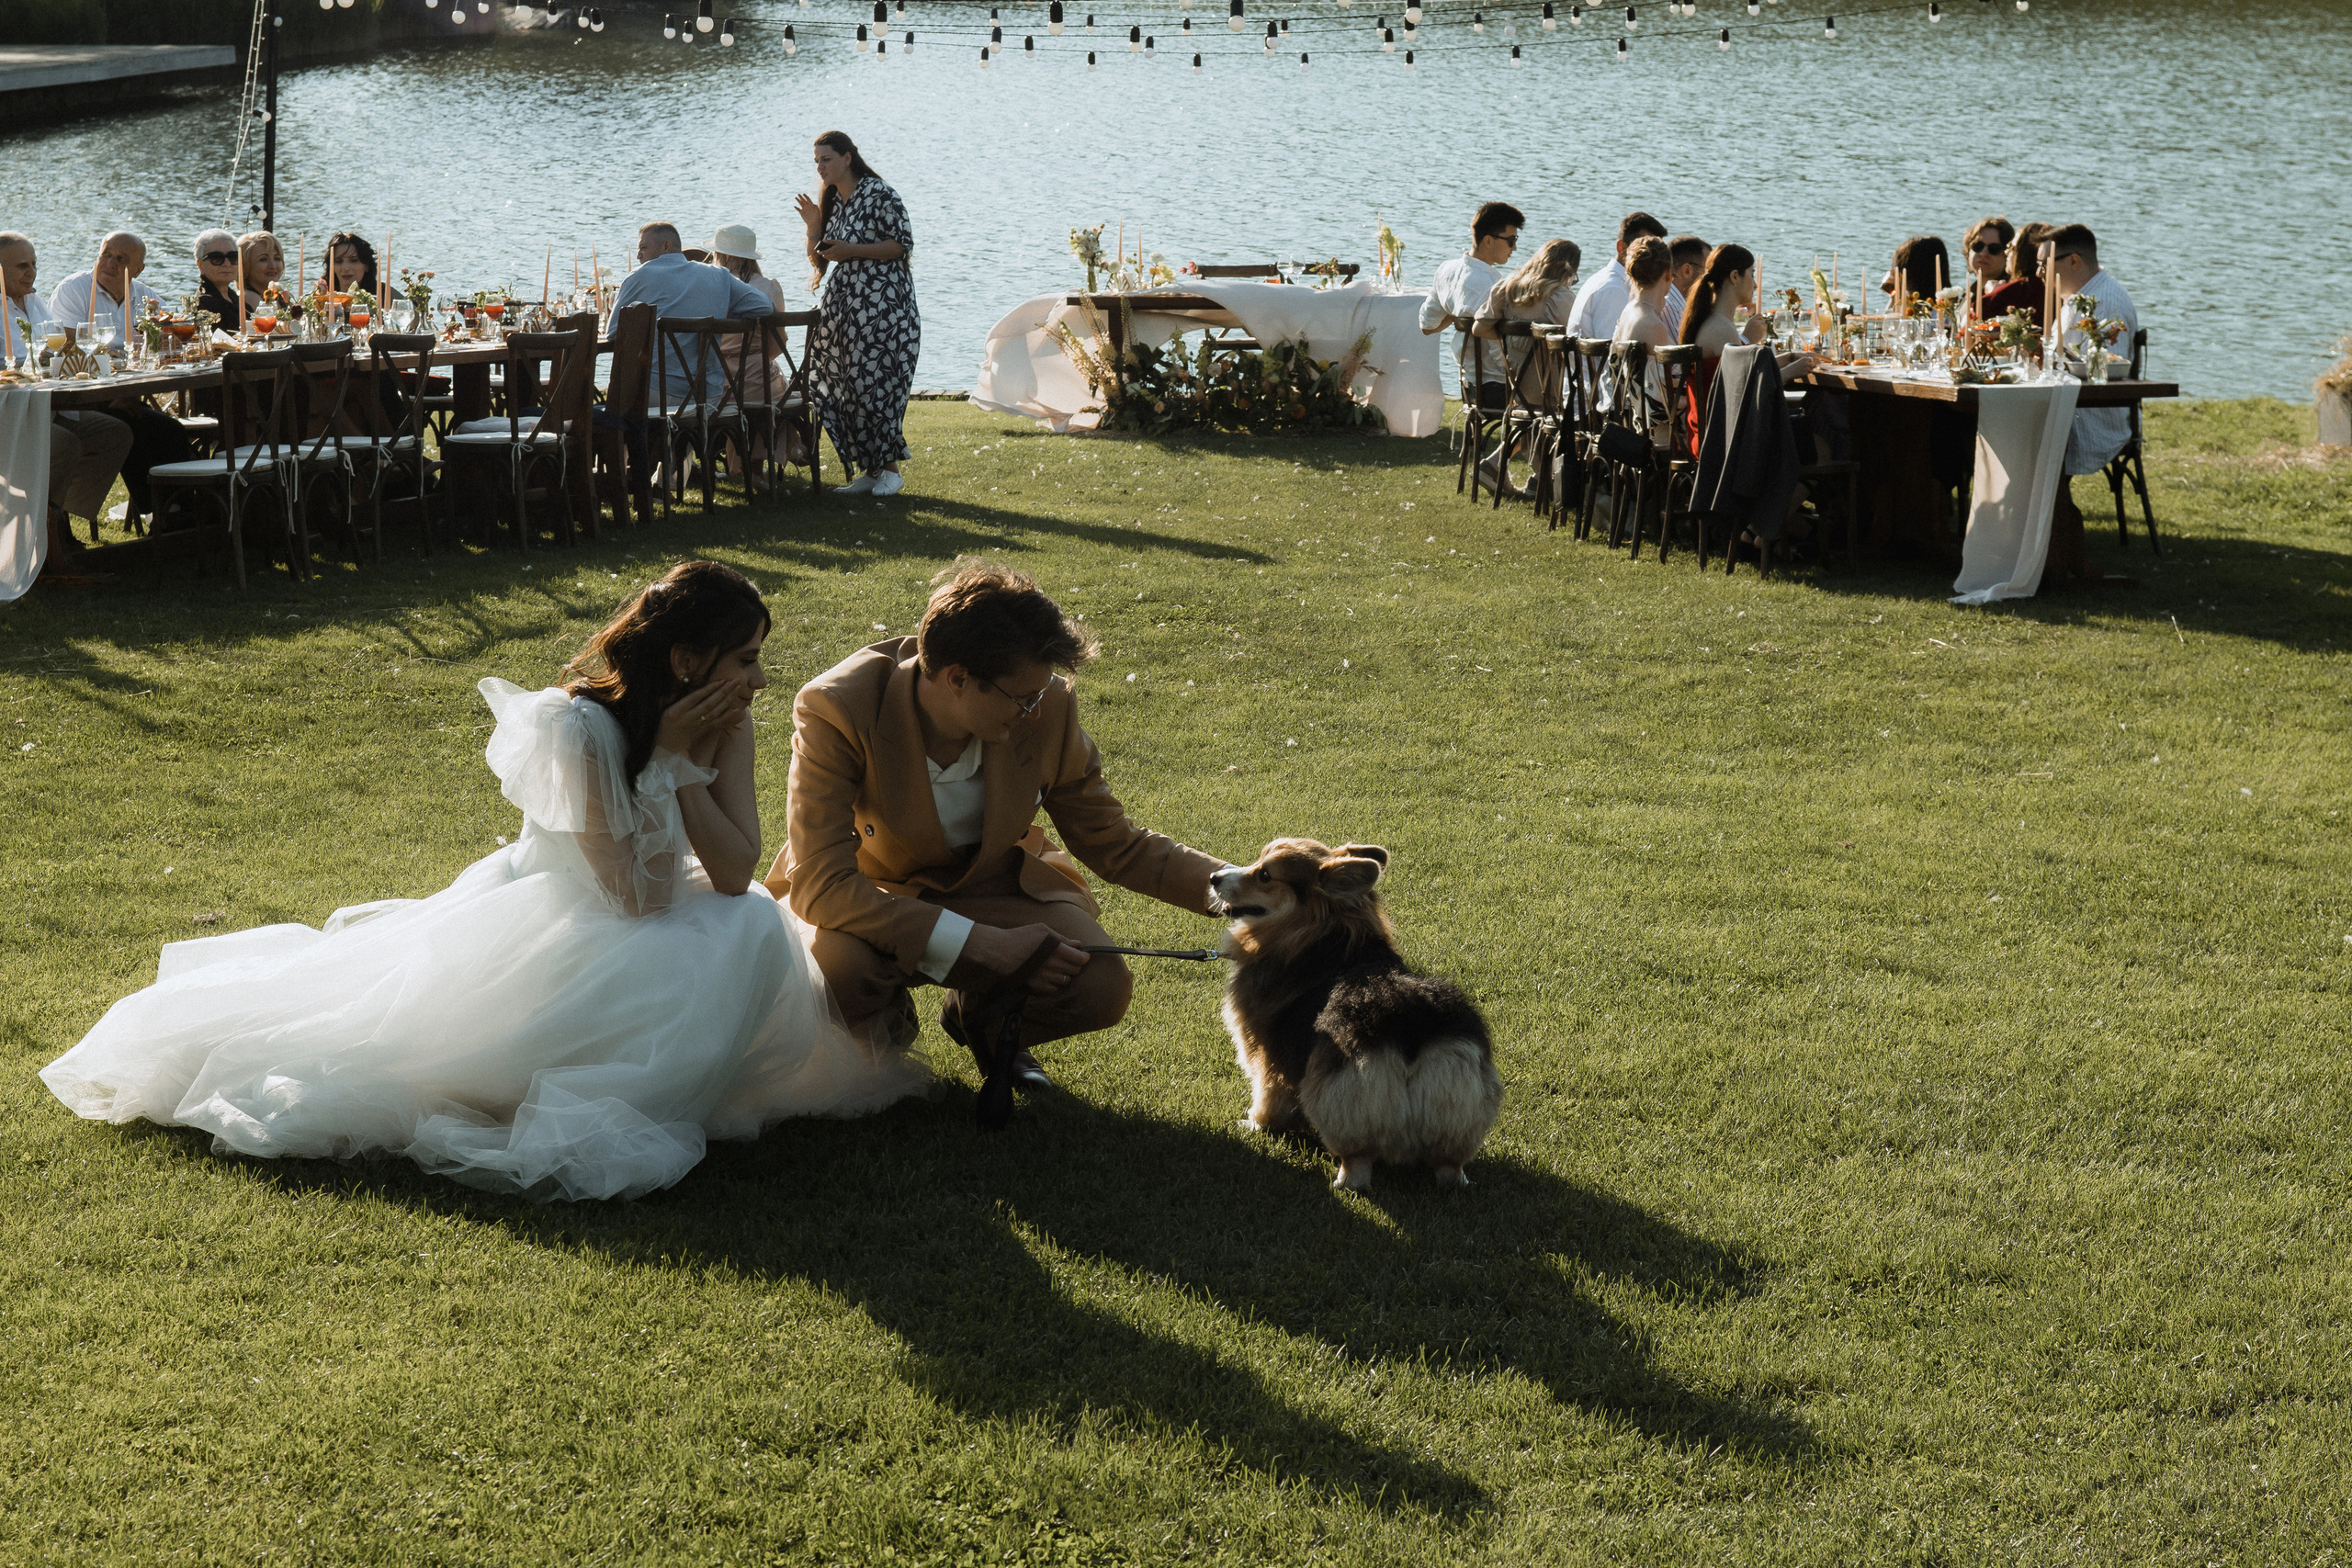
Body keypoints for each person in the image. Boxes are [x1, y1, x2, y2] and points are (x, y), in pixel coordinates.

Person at [40, 561, 928, 1201]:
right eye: (744, 661)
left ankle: (662, 1068)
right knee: (675, 955)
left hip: (662, 899)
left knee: (745, 928)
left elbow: (736, 875)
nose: (758, 680)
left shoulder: (726, 727)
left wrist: (689, 767)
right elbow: (631, 897)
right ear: (690, 659)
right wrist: (657, 759)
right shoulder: (580, 727)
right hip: (570, 913)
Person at [768, 560, 1230, 1091]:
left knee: (1099, 985)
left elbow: (1115, 843)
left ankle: (988, 1021)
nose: (1036, 710)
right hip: (874, 895)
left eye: (1041, 693)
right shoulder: (837, 706)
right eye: (1023, 698)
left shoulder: (1049, 704)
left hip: (997, 884)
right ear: (959, 679)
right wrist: (978, 945)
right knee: (838, 974)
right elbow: (822, 883)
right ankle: (883, 1026)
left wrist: (1249, 889)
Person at [44, 231, 197, 531]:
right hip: (82, 399)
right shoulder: (74, 290)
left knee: (171, 430)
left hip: (124, 395)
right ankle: (161, 516)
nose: (110, 263)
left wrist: (163, 342)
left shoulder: (145, 295)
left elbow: (173, 339)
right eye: (106, 254)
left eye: (121, 259)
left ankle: (181, 511)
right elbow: (64, 348)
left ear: (137, 270)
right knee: (131, 429)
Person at [797, 130, 921, 498]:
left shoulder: (880, 194)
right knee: (844, 384)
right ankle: (870, 470)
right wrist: (813, 227)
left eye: (826, 159)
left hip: (884, 307)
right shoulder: (833, 200)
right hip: (844, 309)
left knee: (877, 382)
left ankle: (892, 471)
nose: (820, 167)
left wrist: (852, 248)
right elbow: (819, 258)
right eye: (816, 160)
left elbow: (900, 246)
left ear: (847, 157)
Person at [1, 231, 134, 566]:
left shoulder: (31, 300)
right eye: (21, 266)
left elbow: (54, 345)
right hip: (9, 414)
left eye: (34, 264)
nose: (31, 272)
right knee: (62, 445)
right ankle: (46, 532)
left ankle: (56, 519)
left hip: (44, 405)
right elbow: (18, 361)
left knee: (113, 432)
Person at [2048, 222, 2140, 578]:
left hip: (2099, 413)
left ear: (2073, 261)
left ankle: (2057, 546)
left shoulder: (2107, 302)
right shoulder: (2078, 297)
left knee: (2032, 431)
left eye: (2046, 264)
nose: (2040, 273)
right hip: (2072, 401)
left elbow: (2104, 376)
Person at [611, 219, 777, 406]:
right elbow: (765, 306)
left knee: (608, 406)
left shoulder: (638, 276)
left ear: (666, 246)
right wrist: (724, 309)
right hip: (708, 396)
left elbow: (614, 333)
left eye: (643, 248)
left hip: (656, 395)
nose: (638, 256)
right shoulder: (720, 275)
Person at [1677, 243, 1815, 454]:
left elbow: (1739, 377)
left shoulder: (1712, 321)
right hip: (1721, 444)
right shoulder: (1722, 330)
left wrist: (1788, 358)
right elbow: (1744, 393)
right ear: (1734, 277)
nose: (1756, 285)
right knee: (1812, 442)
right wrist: (1791, 372)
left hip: (1709, 435)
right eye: (1751, 275)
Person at [1466, 236, 1577, 496]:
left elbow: (1479, 327)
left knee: (1532, 413)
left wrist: (1511, 340)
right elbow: (1578, 338)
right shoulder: (1559, 297)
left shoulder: (1507, 286)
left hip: (1516, 384)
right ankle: (1549, 477)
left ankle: (1533, 474)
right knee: (1583, 401)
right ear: (1568, 270)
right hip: (1547, 386)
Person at [1417, 199, 1525, 404]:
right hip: (1499, 389)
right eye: (1511, 240)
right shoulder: (1495, 286)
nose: (1515, 248)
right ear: (1488, 241)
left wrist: (1455, 310)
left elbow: (1426, 326)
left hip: (1468, 383)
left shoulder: (1446, 271)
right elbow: (1499, 351)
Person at [711, 222, 789, 481]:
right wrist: (758, 357)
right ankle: (755, 465)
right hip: (758, 379)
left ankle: (740, 465)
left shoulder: (712, 289)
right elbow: (778, 342)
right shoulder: (768, 288)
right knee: (777, 385)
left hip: (717, 382)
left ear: (726, 257)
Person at [1606, 234, 1676, 432]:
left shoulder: (1628, 312)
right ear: (1668, 273)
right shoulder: (1653, 325)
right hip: (1661, 431)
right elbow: (1667, 393)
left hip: (1632, 419)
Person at [1565, 210, 1668, 343]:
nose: (1654, 258)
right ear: (1621, 247)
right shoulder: (1613, 289)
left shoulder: (1604, 279)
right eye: (1644, 249)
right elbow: (1612, 356)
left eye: (1657, 251)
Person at [1978, 220, 2053, 330]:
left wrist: (1993, 294)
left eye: (2012, 248)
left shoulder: (2013, 292)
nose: (2006, 252)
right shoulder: (2060, 289)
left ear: (2023, 255)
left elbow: (1973, 319)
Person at [192, 229, 247, 333]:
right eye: (216, 258)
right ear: (200, 265)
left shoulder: (234, 298)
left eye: (233, 257)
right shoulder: (203, 304)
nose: (227, 263)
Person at [1878, 235, 1952, 309]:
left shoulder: (1939, 311)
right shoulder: (1951, 304)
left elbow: (1889, 319)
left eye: (1901, 271)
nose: (1899, 275)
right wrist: (1894, 296)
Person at [1663, 233, 1708, 337]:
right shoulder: (1670, 308)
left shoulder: (1678, 304)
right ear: (1687, 270)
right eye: (1707, 270)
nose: (1712, 277)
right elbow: (1684, 352)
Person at [238, 231, 286, 319]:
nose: (273, 265)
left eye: (277, 258)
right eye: (263, 259)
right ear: (245, 266)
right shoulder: (249, 297)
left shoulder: (280, 296)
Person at [325, 231, 379, 299]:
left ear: (367, 265)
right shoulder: (318, 299)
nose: (345, 268)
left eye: (354, 260)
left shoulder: (387, 296)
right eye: (339, 261)